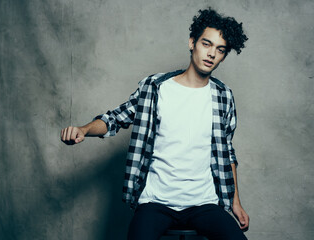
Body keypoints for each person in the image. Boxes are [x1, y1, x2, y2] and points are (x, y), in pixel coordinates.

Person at [61, 8, 249, 240]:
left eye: (220, 50)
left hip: (204, 203)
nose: (211, 54)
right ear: (192, 43)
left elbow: (227, 152)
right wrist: (83, 130)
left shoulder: (223, 96)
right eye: (206, 44)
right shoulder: (155, 88)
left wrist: (235, 202)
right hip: (156, 202)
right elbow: (115, 118)